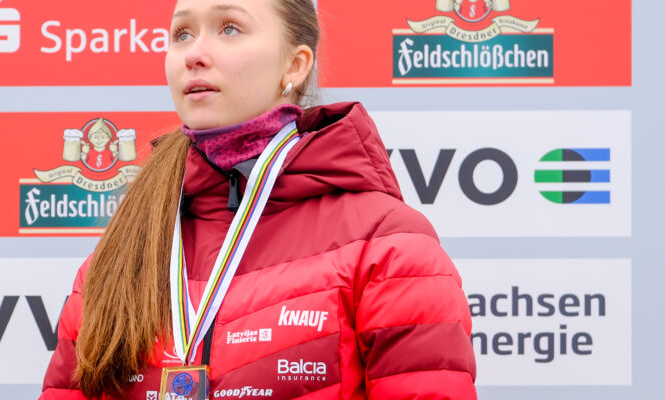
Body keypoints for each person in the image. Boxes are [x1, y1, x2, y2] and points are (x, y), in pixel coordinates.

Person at [40, 0, 477, 399]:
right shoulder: (127, 243)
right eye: (182, 34)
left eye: (229, 28)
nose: (194, 54)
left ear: (296, 65)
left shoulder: (386, 244)